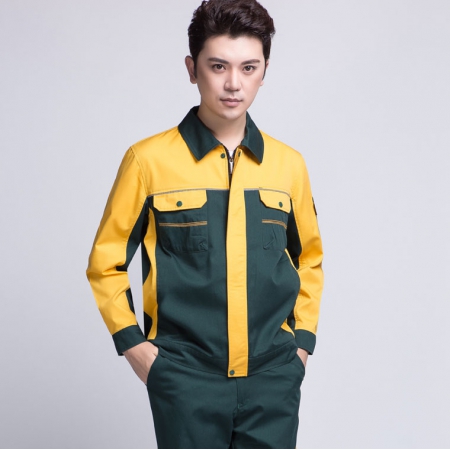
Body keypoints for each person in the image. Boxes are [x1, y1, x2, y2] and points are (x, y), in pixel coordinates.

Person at [86, 0, 324, 447]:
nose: (234, 83)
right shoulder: (147, 162)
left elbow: (309, 259)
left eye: (249, 67)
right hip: (185, 381)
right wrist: (135, 347)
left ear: (264, 71)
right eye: (218, 66)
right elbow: (105, 263)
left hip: (273, 378)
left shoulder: (289, 166)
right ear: (192, 69)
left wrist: (301, 347)